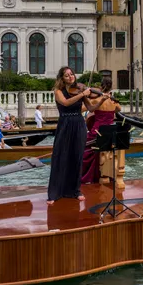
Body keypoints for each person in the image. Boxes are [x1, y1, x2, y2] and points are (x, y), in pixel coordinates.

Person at [47, 66, 93, 204]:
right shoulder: (58, 91)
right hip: (65, 124)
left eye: (71, 74)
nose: (70, 77)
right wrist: (82, 94)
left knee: (77, 157)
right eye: (66, 75)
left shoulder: (79, 89)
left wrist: (102, 100)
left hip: (79, 124)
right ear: (62, 78)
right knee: (61, 156)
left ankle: (75, 191)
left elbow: (90, 108)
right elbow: (66, 103)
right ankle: (55, 193)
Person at [82, 77, 120, 186]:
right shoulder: (114, 101)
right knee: (107, 153)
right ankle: (106, 174)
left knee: (84, 149)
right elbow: (119, 109)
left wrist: (85, 97)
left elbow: (82, 109)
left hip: (97, 131)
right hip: (110, 132)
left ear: (101, 86)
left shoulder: (96, 100)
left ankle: (89, 177)